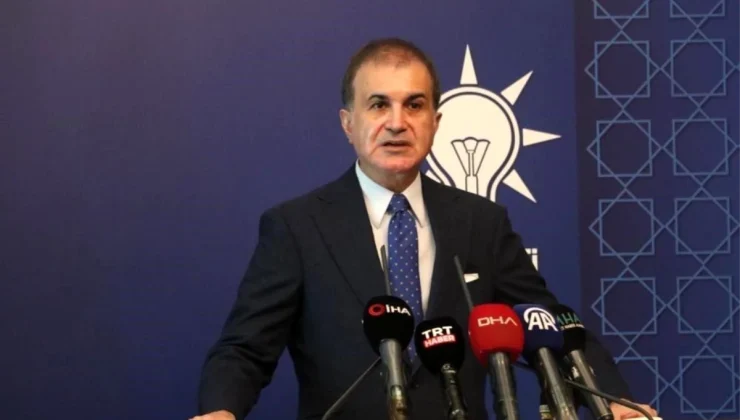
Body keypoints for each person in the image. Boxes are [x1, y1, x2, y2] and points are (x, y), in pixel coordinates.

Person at [192, 38, 659, 420]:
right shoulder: (297, 226)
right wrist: (220, 411)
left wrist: (616, 403)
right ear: (348, 124)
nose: (397, 123)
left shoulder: (481, 222)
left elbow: (547, 325)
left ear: (435, 123)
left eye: (414, 105)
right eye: (378, 105)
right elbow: (245, 349)